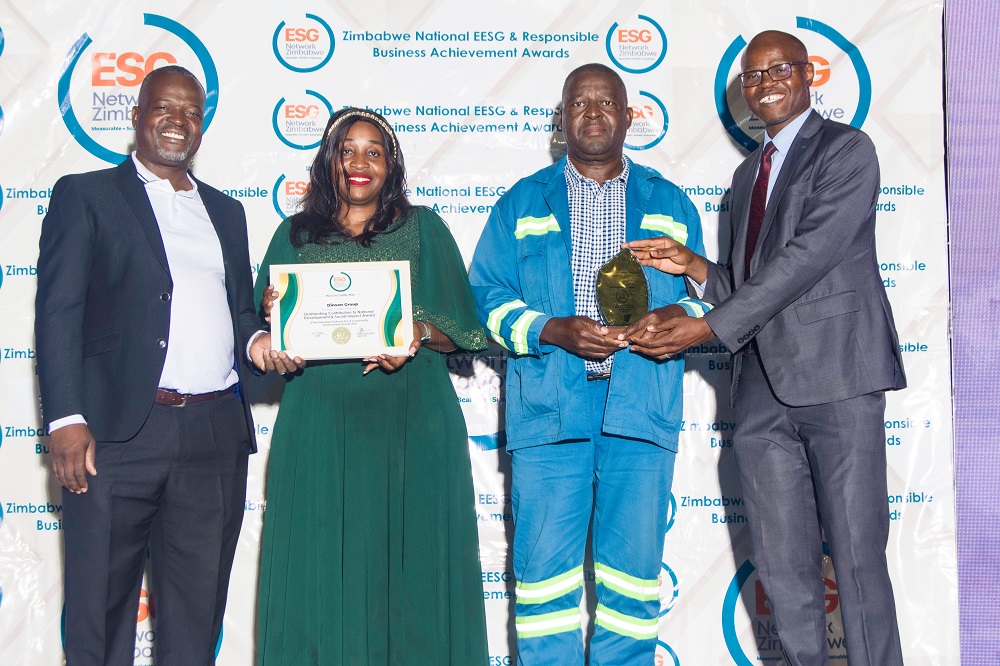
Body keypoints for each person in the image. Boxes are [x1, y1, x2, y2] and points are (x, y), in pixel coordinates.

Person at [625, 30, 907, 666]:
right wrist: (695, 267)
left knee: (857, 565)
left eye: (779, 69)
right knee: (782, 571)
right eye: (752, 76)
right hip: (759, 395)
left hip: (839, 380)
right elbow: (752, 284)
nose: (765, 83)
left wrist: (708, 328)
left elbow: (807, 259)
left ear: (809, 74)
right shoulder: (747, 172)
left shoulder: (847, 150)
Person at [35, 65, 300, 665]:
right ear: (136, 116)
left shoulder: (226, 212)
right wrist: (65, 418)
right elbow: (57, 312)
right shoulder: (87, 195)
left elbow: (237, 312)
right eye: (164, 107)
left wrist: (259, 340)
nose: (178, 121)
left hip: (213, 436)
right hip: (115, 436)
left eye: (191, 113)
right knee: (99, 617)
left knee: (195, 620)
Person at [468, 64, 712, 665]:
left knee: (632, 588)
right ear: (562, 119)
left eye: (607, 102)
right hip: (551, 412)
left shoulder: (669, 201)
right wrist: (553, 329)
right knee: (543, 588)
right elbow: (485, 300)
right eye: (579, 103)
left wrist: (674, 317)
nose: (594, 113)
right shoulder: (522, 202)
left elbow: (708, 299)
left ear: (628, 116)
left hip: (640, 409)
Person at [254, 107, 489, 664]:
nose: (359, 163)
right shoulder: (294, 236)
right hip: (319, 426)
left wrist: (418, 331)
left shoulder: (424, 229)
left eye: (373, 152)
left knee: (413, 576)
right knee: (319, 572)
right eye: (347, 150)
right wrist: (270, 327)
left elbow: (467, 333)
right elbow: (259, 330)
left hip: (411, 426)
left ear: (391, 165)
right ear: (328, 162)